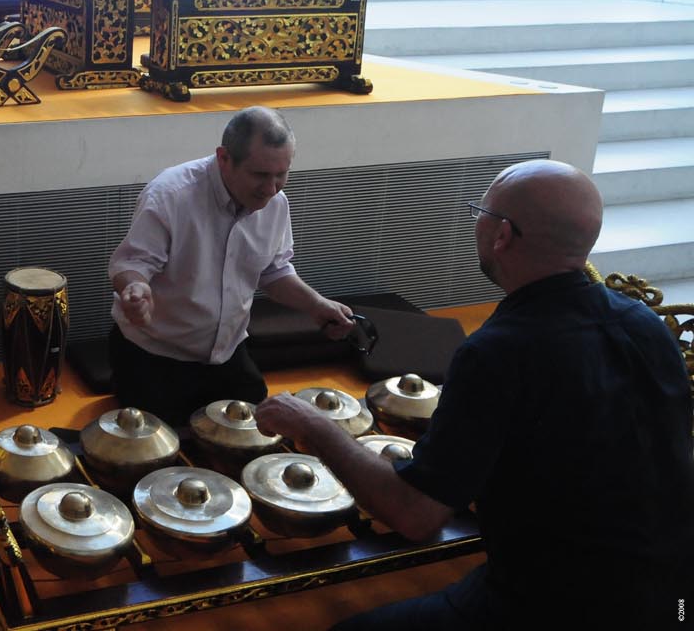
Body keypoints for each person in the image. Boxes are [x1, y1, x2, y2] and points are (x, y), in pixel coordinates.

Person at [254, 159, 694, 629]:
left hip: (562, 607)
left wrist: (313, 426)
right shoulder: (644, 324)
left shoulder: (498, 351)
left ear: (501, 234)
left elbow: (416, 516)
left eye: (479, 212)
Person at [107, 106, 354, 424]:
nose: (272, 188)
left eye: (282, 174)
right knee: (162, 444)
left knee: (261, 429)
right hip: (154, 355)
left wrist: (317, 305)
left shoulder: (275, 203)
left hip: (227, 352)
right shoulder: (170, 195)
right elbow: (132, 262)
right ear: (224, 158)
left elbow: (274, 271)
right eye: (260, 175)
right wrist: (135, 287)